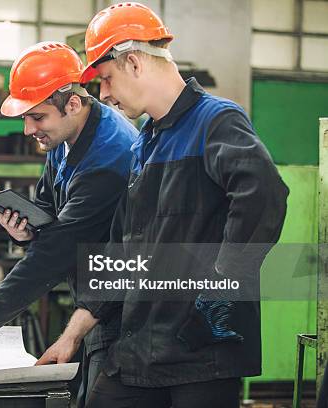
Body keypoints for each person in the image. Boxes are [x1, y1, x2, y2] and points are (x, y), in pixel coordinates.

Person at [67, 3, 289, 407]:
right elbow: (124, 248)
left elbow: (264, 195)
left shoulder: (216, 121)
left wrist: (221, 292)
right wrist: (73, 334)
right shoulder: (144, 143)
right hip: (138, 352)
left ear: (133, 62)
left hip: (199, 357)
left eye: (106, 79)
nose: (104, 95)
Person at [0, 41, 138, 407]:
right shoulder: (65, 134)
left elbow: (53, 254)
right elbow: (48, 211)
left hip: (120, 308)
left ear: (72, 103)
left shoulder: (109, 158)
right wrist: (26, 230)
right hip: (92, 296)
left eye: (36, 117)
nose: (27, 129)